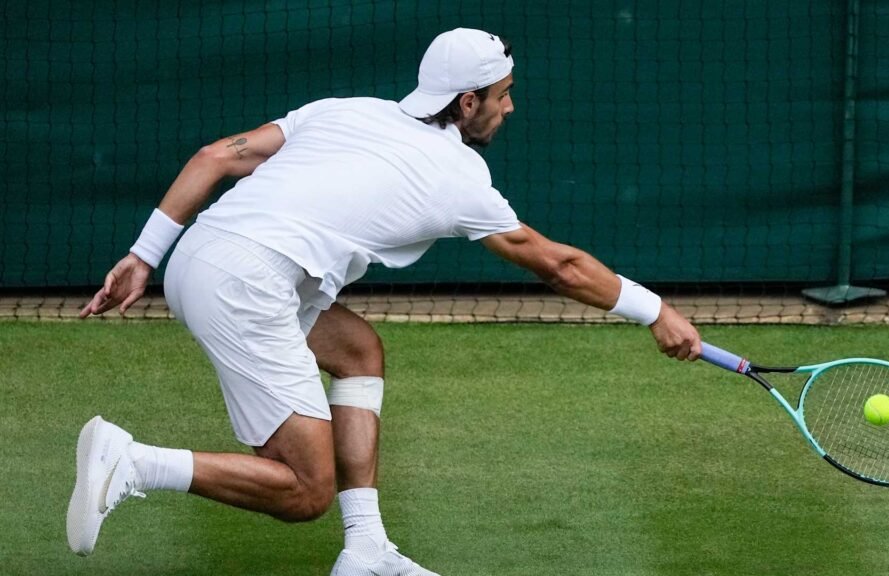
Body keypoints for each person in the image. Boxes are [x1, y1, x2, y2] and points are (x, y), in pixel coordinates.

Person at [69, 28, 702, 575]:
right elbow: (559, 266)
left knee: (357, 352)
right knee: (303, 490)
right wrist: (657, 312)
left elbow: (216, 156)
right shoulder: (458, 179)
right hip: (248, 285)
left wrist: (144, 256)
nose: (509, 108)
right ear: (469, 101)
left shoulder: (347, 110)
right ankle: (135, 463)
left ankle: (366, 547)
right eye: (503, 95)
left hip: (201, 257)